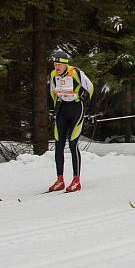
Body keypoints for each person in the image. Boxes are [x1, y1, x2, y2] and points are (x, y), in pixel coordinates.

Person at [48, 50, 94, 193]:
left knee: (73, 143)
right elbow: (52, 92)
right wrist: (51, 110)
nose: (57, 67)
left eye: (59, 65)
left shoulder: (75, 72)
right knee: (58, 143)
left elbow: (91, 88)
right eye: (55, 64)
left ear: (65, 65)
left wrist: (91, 111)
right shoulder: (53, 75)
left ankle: (76, 180)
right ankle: (60, 179)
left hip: (76, 109)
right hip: (63, 110)